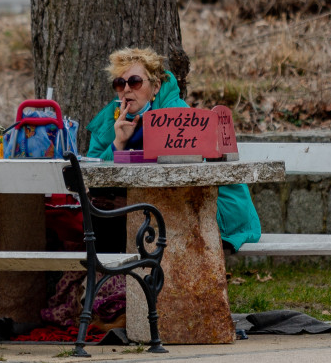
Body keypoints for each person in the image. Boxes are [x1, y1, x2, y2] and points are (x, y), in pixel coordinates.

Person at [86, 47, 261, 252]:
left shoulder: (176, 114)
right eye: (119, 83)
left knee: (117, 218)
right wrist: (118, 143)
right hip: (148, 206)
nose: (126, 89)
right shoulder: (109, 120)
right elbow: (93, 174)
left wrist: (132, 202)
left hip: (213, 207)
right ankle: (111, 280)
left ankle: (123, 280)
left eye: (135, 82)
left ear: (156, 86)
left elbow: (188, 180)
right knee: (100, 215)